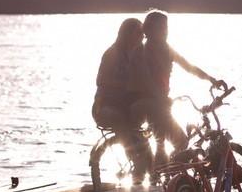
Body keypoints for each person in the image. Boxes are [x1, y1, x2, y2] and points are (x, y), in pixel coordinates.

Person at [137, 10, 224, 155]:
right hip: (152, 104)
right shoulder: (145, 51)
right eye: (162, 28)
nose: (166, 31)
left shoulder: (166, 49)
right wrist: (160, 98)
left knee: (164, 143)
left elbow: (188, 67)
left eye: (166, 28)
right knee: (180, 142)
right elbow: (145, 80)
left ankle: (163, 174)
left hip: (161, 103)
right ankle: (160, 175)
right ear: (150, 30)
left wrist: (210, 79)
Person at [92, 18, 152, 179]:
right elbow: (100, 80)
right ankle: (135, 161)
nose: (142, 36)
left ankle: (155, 167)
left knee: (151, 112)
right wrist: (126, 84)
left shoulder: (140, 56)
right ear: (127, 34)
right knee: (119, 119)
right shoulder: (112, 53)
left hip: (125, 106)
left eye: (144, 34)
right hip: (104, 107)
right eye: (139, 33)